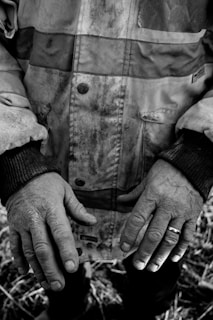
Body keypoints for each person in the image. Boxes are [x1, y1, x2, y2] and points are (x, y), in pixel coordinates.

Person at [0, 1, 213, 319]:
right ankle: (66, 308)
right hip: (47, 175)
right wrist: (16, 159)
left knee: (155, 271)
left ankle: (144, 312)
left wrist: (198, 157)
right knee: (56, 262)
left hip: (162, 181)